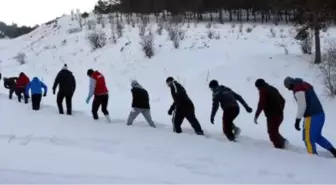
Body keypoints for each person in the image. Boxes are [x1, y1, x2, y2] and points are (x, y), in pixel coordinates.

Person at [284, 77, 336, 157]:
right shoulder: (304, 85)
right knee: (317, 137)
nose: (288, 89)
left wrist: (297, 120)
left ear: (290, 84)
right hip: (320, 114)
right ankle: (334, 151)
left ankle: (313, 158)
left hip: (311, 116)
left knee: (308, 139)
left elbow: (302, 105)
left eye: (287, 87)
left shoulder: (298, 89)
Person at [254, 79, 288, 149]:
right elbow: (283, 100)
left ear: (259, 86)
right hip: (279, 115)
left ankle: (280, 148)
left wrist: (256, 116)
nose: (257, 89)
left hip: (272, 115)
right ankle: (284, 142)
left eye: (257, 88)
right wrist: (280, 110)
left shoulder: (263, 90)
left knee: (272, 133)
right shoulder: (273, 88)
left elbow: (261, 104)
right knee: (274, 131)